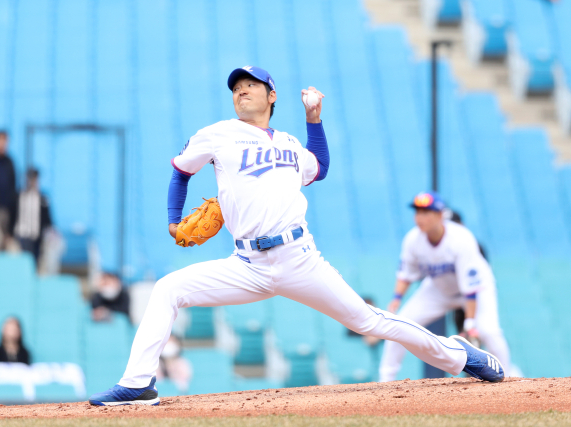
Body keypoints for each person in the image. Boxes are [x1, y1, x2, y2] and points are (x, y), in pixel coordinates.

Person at [88, 66, 504, 407]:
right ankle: (139, 384)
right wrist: (172, 219)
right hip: (246, 264)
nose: (242, 92)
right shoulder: (216, 134)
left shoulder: (288, 143)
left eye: (251, 86)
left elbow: (319, 167)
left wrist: (314, 120)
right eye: (236, 88)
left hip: (299, 258)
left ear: (272, 96)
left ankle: (460, 356)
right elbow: (181, 171)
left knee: (368, 321)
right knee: (167, 289)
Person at [378, 192, 511, 382]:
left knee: (489, 331)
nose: (420, 218)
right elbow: (406, 274)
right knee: (399, 325)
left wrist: (470, 323)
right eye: (417, 212)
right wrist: (396, 299)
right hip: (438, 289)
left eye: (426, 212)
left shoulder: (461, 238)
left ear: (440, 215)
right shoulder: (412, 240)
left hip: (477, 289)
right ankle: (385, 379)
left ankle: (507, 377)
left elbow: (470, 287)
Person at [10, 168, 53, 265]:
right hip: (21, 235)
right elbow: (12, 215)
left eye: (35, 179)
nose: (32, 181)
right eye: (30, 178)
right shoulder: (19, 196)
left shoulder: (43, 198)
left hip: (36, 236)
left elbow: (48, 219)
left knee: (35, 262)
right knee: (22, 262)